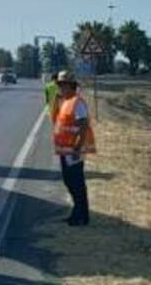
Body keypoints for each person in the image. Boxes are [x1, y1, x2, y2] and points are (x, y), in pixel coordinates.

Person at [53, 70, 96, 226]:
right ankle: (77, 213)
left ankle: (81, 216)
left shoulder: (77, 102)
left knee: (76, 183)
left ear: (71, 86)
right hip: (67, 151)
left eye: (64, 85)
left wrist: (77, 148)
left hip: (74, 151)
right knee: (69, 181)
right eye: (60, 85)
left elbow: (83, 125)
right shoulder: (65, 101)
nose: (61, 88)